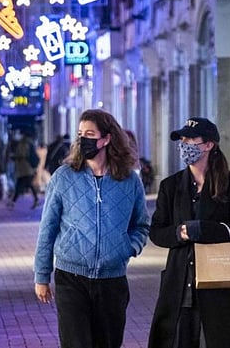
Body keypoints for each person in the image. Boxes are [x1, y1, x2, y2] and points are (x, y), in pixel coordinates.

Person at [33, 109, 150, 348]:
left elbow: (141, 224)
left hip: (112, 280)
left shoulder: (129, 180)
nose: (82, 139)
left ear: (106, 138)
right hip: (71, 277)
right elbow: (47, 229)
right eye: (80, 134)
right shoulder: (64, 177)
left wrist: (127, 248)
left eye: (89, 134)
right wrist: (41, 276)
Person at [147, 117, 230, 348]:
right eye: (182, 139)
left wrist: (205, 230)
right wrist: (180, 233)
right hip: (181, 285)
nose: (185, 144)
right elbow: (156, 232)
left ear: (208, 145)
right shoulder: (170, 186)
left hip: (220, 285)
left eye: (191, 139)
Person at [10, 130, 40, 209]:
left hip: (25, 168)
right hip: (26, 169)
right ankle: (13, 201)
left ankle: (13, 201)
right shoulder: (28, 143)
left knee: (22, 185)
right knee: (25, 185)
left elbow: (21, 155)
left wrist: (14, 157)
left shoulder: (24, 144)